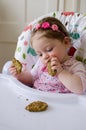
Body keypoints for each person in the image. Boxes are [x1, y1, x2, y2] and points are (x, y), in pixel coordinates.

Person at [9, 16, 86, 94]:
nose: (44, 56)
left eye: (49, 49)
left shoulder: (75, 66)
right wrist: (19, 75)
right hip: (36, 98)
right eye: (40, 54)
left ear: (66, 42)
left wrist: (60, 72)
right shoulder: (41, 64)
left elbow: (80, 88)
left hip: (61, 104)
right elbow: (32, 78)